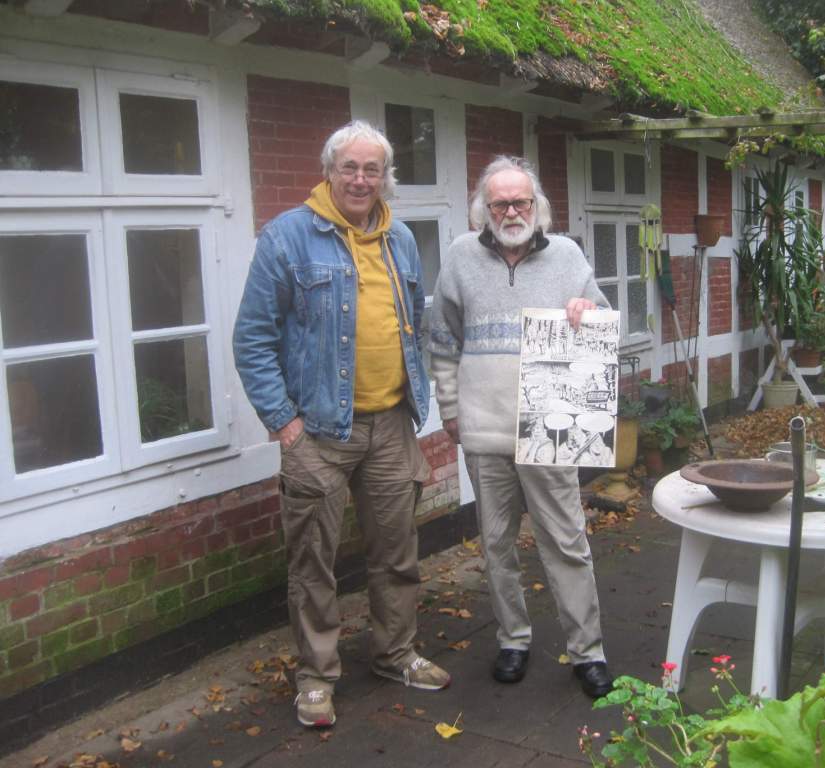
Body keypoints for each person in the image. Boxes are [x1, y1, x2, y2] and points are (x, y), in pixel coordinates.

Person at [233, 120, 450, 729]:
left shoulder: (399, 238)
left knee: (397, 554)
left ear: (385, 177)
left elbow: (415, 324)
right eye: (349, 168)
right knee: (313, 565)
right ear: (329, 171)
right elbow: (252, 339)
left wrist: (420, 405)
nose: (360, 179)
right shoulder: (287, 238)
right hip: (319, 435)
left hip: (391, 426)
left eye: (372, 169)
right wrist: (284, 424)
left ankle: (395, 653)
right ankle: (316, 678)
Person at [429, 156, 614, 698]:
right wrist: (449, 410)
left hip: (551, 428)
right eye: (500, 203)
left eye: (521, 202)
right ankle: (513, 639)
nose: (512, 211)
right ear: (483, 211)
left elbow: (603, 327)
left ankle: (588, 651)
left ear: (538, 207)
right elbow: (443, 341)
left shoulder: (568, 256)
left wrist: (587, 308)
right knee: (495, 543)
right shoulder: (461, 258)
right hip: (485, 430)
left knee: (567, 540)